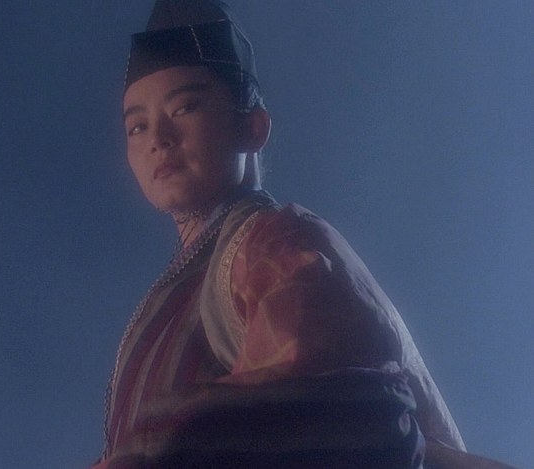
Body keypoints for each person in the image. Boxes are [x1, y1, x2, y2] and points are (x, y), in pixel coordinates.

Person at [93, 1, 516, 468]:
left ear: (252, 127)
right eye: (137, 126)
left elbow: (327, 415)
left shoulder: (277, 242)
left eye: (185, 107)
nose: (158, 138)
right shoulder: (186, 278)